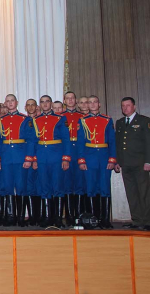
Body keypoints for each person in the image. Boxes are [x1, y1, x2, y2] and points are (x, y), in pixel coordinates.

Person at [77, 95, 117, 228]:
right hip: (89, 157)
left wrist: (112, 159)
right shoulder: (82, 121)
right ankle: (93, 219)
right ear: (87, 105)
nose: (93, 104)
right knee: (91, 188)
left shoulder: (107, 120)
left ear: (99, 104)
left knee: (105, 188)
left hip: (104, 156)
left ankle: (105, 219)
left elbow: (112, 141)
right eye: (90, 102)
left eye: (95, 102)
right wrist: (81, 160)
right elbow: (80, 142)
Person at [32, 95, 71, 227]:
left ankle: (58, 218)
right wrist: (34, 158)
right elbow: (34, 141)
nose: (45, 104)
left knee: (58, 186)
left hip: (56, 155)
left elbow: (66, 139)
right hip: (41, 155)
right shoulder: (36, 120)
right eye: (42, 102)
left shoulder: (60, 119)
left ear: (51, 103)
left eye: (47, 101)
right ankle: (48, 217)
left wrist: (66, 158)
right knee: (44, 186)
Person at [0, 94, 35, 226]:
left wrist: (28, 158)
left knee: (21, 186)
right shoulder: (0, 120)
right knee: (8, 186)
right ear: (5, 103)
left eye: (12, 100)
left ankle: (21, 217)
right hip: (6, 157)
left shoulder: (26, 119)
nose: (10, 103)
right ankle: (11, 216)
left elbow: (31, 140)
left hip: (20, 156)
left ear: (17, 102)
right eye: (7, 101)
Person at [116, 97, 150, 230]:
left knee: (144, 192)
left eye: (128, 105)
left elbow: (148, 142)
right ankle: (136, 220)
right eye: (123, 106)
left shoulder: (144, 121)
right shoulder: (120, 122)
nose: (125, 108)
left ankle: (147, 221)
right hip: (126, 164)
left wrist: (148, 161)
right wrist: (118, 161)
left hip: (140, 163)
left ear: (134, 106)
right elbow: (119, 144)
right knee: (131, 193)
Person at [62, 91, 86, 224]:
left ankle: (79, 215)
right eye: (68, 98)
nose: (70, 100)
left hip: (79, 150)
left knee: (80, 183)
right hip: (65, 151)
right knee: (67, 183)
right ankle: (69, 216)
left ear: (76, 101)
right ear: (64, 101)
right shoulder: (60, 117)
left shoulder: (83, 117)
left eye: (72, 98)